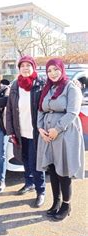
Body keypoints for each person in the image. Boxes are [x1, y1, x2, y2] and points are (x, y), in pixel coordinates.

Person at [37, 58, 85, 221]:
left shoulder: (71, 87)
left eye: (55, 69)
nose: (52, 73)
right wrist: (40, 129)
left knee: (63, 170)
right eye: (49, 71)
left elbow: (72, 112)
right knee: (52, 168)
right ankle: (56, 201)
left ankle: (66, 204)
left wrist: (56, 129)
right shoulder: (47, 88)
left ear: (61, 69)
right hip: (47, 135)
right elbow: (40, 110)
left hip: (64, 133)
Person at [6, 56, 46, 207]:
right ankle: (29, 183)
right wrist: (10, 131)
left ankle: (40, 191)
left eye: (28, 65)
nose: (25, 68)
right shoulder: (15, 85)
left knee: (37, 163)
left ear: (33, 67)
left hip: (36, 132)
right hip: (20, 131)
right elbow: (9, 109)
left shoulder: (41, 83)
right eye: (22, 66)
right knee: (25, 160)